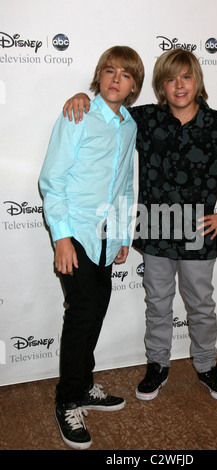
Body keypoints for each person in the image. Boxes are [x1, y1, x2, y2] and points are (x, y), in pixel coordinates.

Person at [63, 49, 217, 404]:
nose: (179, 85)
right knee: (157, 303)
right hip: (154, 233)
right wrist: (84, 96)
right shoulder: (144, 119)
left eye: (185, 77)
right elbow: (109, 108)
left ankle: (206, 365)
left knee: (201, 304)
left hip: (198, 234)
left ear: (197, 80)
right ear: (160, 86)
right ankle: (157, 365)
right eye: (170, 79)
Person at [39, 46, 144, 450]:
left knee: (96, 308)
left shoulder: (130, 124)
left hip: (106, 236)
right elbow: (52, 179)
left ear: (134, 85)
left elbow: (125, 184)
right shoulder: (78, 113)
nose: (116, 78)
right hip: (76, 234)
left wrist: (121, 236)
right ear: (99, 76)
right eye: (109, 71)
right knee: (82, 313)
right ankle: (67, 400)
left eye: (126, 74)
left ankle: (83, 386)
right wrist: (61, 238)